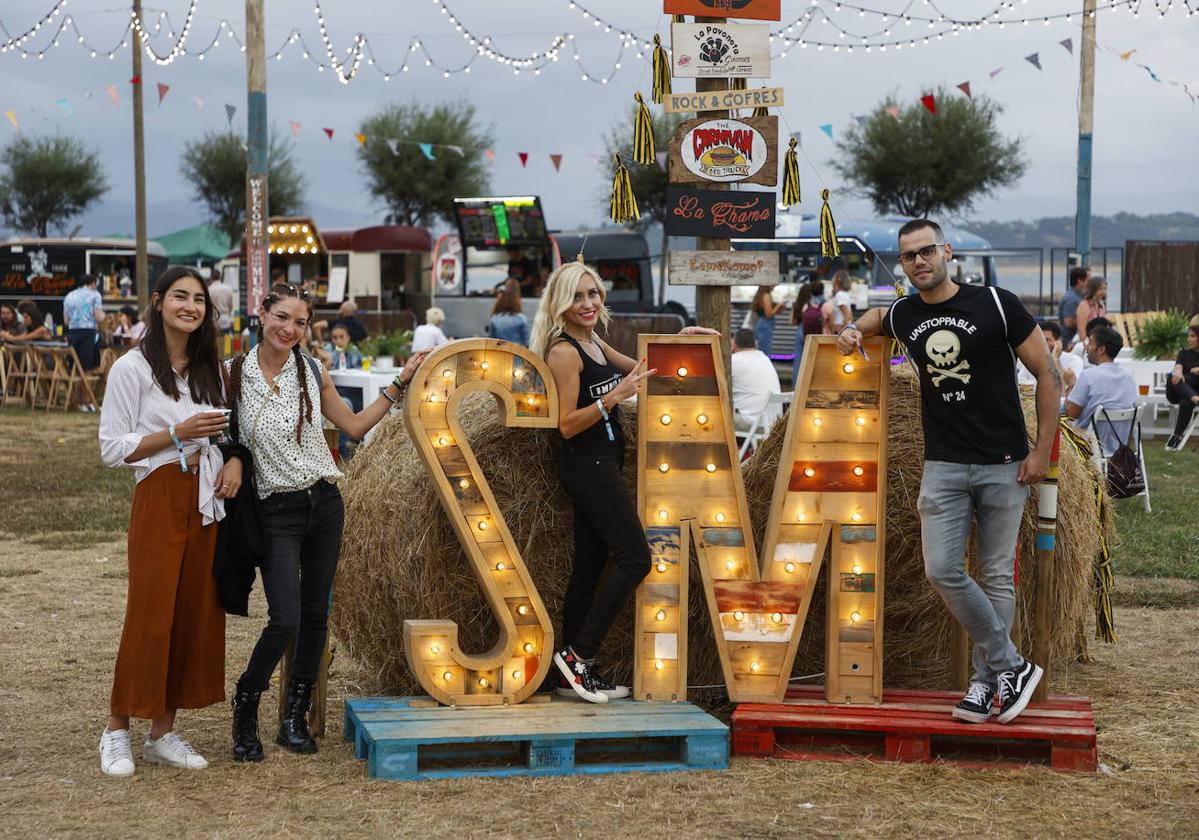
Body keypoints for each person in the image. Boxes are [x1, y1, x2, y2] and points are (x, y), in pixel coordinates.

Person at [837, 218, 1058, 726]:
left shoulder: (996, 303)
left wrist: (1041, 451)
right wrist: (853, 328)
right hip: (944, 465)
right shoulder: (906, 314)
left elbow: (1046, 373)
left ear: (947, 252)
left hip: (1006, 462)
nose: (918, 261)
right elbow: (876, 316)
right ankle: (1012, 667)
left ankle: (985, 685)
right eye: (908, 255)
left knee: (998, 575)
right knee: (941, 569)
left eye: (926, 251)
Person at [225, 283, 430, 762]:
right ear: (262, 313)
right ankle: (246, 706)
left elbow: (355, 426)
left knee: (317, 614)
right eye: (281, 317)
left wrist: (399, 384)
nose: (289, 329)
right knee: (284, 618)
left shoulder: (313, 372)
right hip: (275, 508)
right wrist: (233, 460)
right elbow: (223, 434)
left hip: (324, 502)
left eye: (299, 322)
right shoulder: (232, 374)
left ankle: (293, 717)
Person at [530, 259, 716, 704]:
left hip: (604, 461)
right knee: (636, 559)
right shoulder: (563, 352)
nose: (589, 303)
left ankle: (568, 675)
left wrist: (680, 341)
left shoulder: (593, 341)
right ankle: (578, 656)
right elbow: (566, 425)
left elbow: (646, 371)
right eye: (578, 296)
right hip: (586, 463)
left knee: (589, 569)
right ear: (561, 303)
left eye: (593, 294)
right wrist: (613, 397)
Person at [96, 265, 237, 777]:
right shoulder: (131, 368)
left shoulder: (210, 370)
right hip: (159, 492)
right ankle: (116, 730)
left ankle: (163, 731)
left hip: (206, 499)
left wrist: (233, 460)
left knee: (193, 612)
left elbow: (223, 433)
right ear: (158, 302)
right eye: (180, 296)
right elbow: (112, 449)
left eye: (199, 299)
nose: (191, 307)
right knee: (150, 611)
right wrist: (176, 433)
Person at [1067, 326, 1138, 458]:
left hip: (1087, 446)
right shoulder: (1129, 377)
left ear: (1101, 349)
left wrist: (1071, 383)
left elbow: (1070, 415)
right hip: (1121, 447)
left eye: (1090, 343)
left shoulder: (1088, 376)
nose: (1087, 348)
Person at [730, 327, 782, 434]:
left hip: (751, 422)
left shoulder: (733, 361)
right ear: (755, 344)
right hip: (774, 422)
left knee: (715, 417)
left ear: (734, 344)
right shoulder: (764, 358)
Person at [1017, 321, 1082, 402]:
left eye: (1046, 340)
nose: (1041, 343)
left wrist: (1055, 360)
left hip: (1064, 410)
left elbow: (1069, 393)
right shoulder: (1032, 358)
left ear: (1058, 341)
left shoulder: (1075, 361)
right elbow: (1021, 384)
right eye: (1039, 340)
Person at [1165, 325, 1199, 450]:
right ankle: (1195, 398)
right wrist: (1178, 373)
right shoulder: (1183, 353)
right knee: (1171, 377)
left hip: (1189, 393)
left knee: (1186, 402)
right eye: (1188, 336)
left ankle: (1177, 436)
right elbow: (1178, 367)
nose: (1189, 339)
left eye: (1193, 336)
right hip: (1176, 391)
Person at [62, 274, 106, 370]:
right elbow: (98, 317)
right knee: (87, 367)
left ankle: (74, 385)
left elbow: (66, 320)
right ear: (93, 283)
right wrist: (105, 316)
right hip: (88, 333)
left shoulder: (69, 295)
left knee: (75, 367)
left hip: (72, 333)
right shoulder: (95, 295)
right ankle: (86, 385)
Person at [790, 281, 821, 381]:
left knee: (798, 360)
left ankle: (795, 386)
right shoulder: (812, 304)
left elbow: (792, 321)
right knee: (811, 358)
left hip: (799, 330)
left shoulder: (797, 304)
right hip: (811, 330)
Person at [1059, 266, 1088, 348]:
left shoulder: (1077, 297)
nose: (1089, 283)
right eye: (1087, 280)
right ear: (1080, 281)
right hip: (1069, 342)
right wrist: (1087, 323)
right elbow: (1069, 321)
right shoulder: (1072, 299)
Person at [750, 285, 783, 357]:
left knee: (762, 350)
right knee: (765, 352)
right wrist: (778, 306)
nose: (775, 285)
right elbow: (768, 314)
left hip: (761, 324)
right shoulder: (766, 296)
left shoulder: (761, 295)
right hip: (765, 325)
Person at [1074, 275, 1107, 344]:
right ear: (1093, 290)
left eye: (1105, 289)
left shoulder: (1101, 305)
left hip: (1097, 340)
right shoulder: (1084, 305)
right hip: (1084, 341)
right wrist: (1087, 344)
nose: (1103, 292)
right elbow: (1081, 328)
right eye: (1101, 289)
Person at [207, 268, 234, 334]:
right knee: (227, 342)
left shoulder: (209, 289)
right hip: (225, 319)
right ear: (220, 277)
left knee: (215, 342)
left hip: (213, 320)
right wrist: (229, 316)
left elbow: (207, 306)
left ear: (211, 278)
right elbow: (231, 306)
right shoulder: (228, 288)